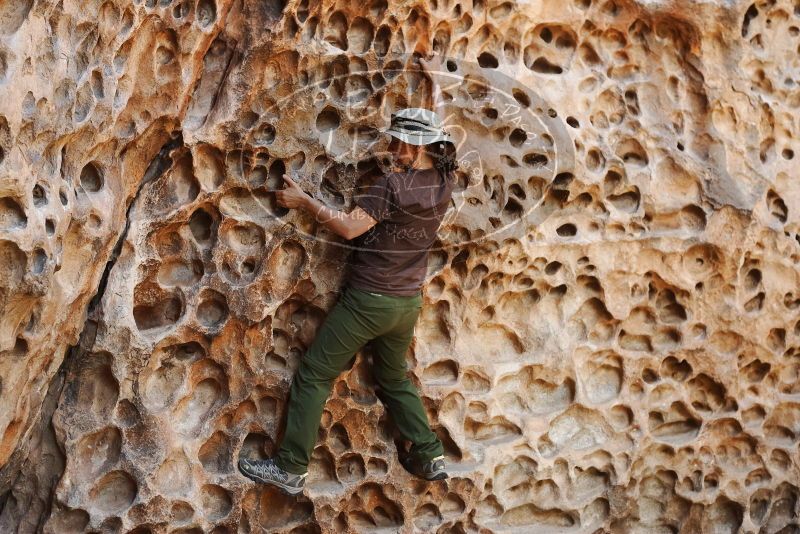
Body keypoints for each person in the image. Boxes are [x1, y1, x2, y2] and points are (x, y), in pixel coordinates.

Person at [237, 108, 458, 496]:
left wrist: (304, 200)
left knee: (314, 375)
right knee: (392, 378)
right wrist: (432, 77)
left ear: (413, 144)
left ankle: (290, 467)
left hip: (368, 303)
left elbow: (350, 227)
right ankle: (429, 454)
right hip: (406, 305)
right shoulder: (445, 179)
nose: (390, 148)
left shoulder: (392, 186)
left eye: (396, 141)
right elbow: (432, 123)